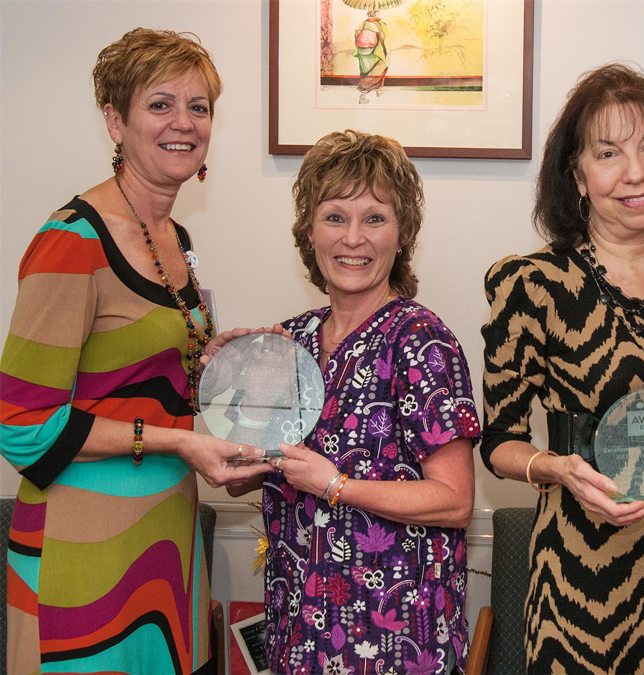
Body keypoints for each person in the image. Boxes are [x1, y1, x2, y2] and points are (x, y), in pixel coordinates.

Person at [0, 28, 270, 673]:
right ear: (113, 120)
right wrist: (181, 442)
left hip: (165, 538)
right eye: (160, 104)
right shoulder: (71, 241)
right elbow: (22, 425)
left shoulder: (175, 234)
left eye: (199, 107)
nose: (184, 123)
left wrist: (216, 359)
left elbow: (138, 374)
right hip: (82, 547)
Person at [480, 63, 644, 673]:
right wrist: (556, 469)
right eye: (608, 153)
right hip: (579, 578)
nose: (636, 173)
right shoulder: (531, 284)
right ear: (576, 174)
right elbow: (500, 442)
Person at [226, 130, 480, 674]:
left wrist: (335, 485)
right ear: (309, 232)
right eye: (336, 217)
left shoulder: (421, 339)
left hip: (395, 637)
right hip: (300, 625)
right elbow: (242, 473)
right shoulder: (291, 341)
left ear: (402, 233)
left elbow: (454, 501)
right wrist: (225, 382)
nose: (354, 239)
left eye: (375, 218)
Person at [354, 9, 389, 104]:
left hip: (362, 51)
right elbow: (383, 39)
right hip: (375, 51)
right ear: (376, 13)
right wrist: (386, 50)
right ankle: (375, 90)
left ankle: (365, 93)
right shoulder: (380, 24)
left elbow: (356, 35)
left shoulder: (363, 23)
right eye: (378, 11)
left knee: (365, 71)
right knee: (381, 66)